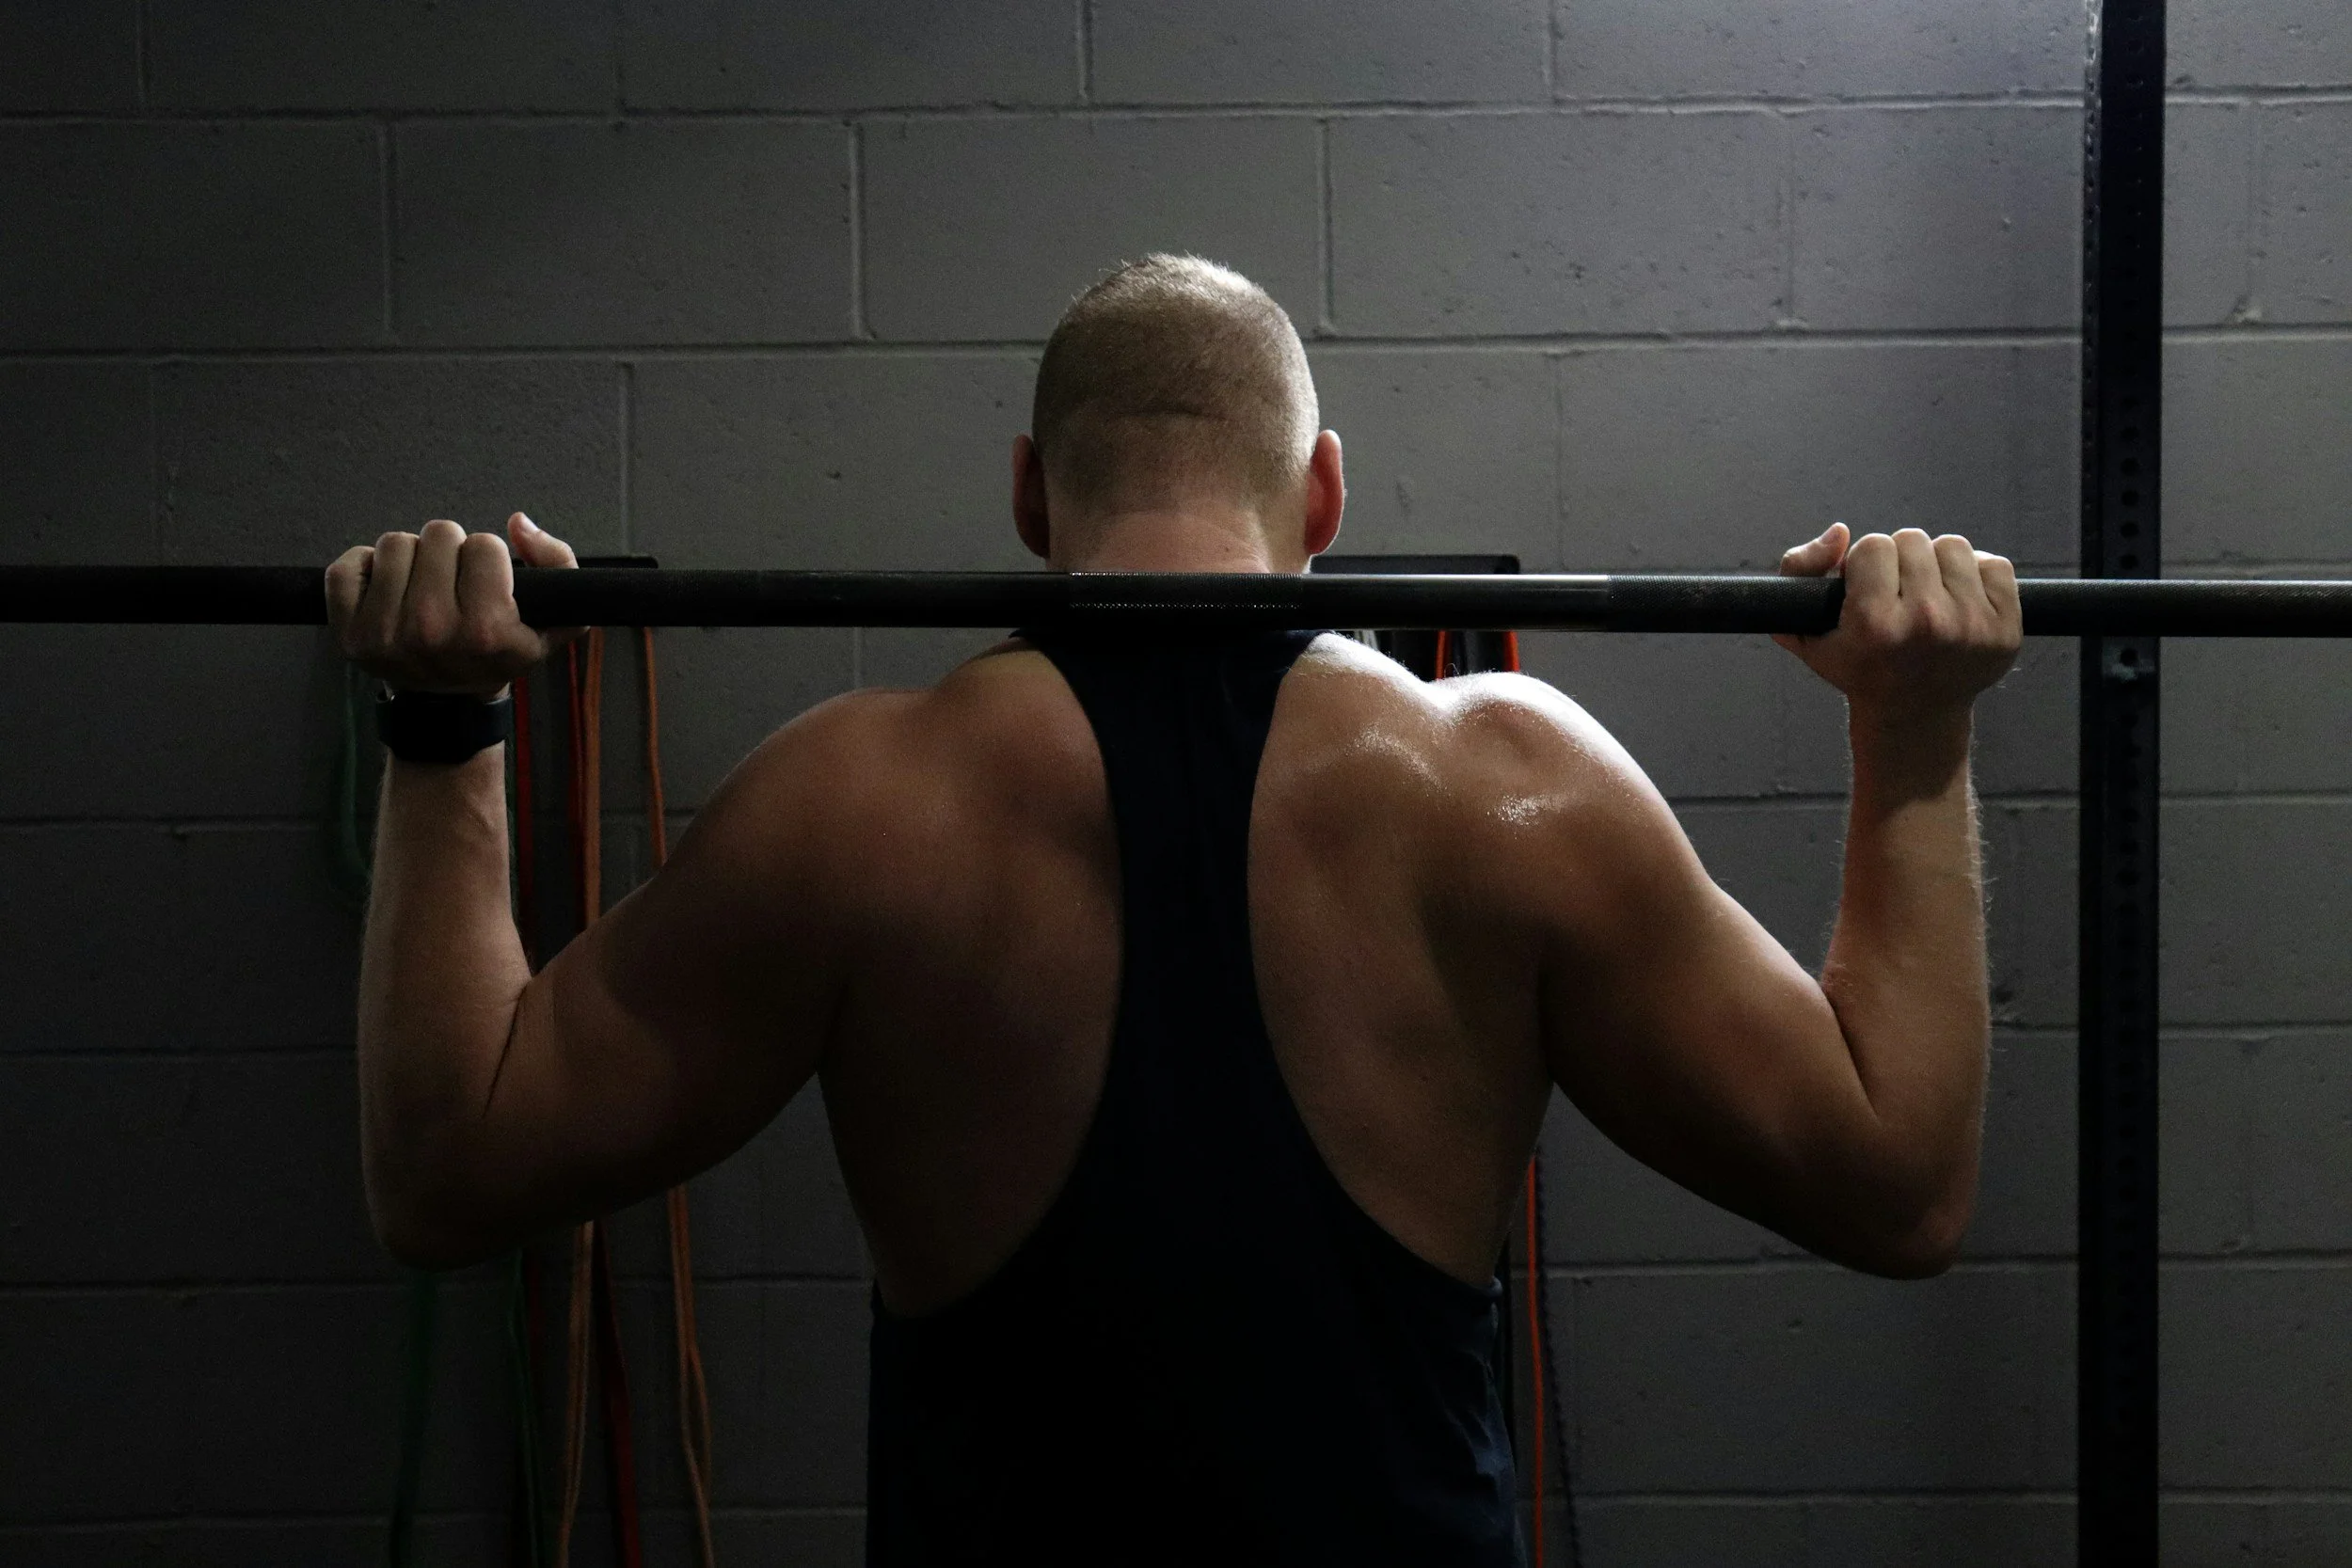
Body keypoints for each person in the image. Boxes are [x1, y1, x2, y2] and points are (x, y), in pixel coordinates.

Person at [326, 254, 2021, 1564]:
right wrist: (1916, 729)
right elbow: (1897, 1181)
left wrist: (444, 721)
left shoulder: (859, 802)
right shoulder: (1519, 788)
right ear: (1326, 497)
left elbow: (449, 1167)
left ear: (1028, 500)